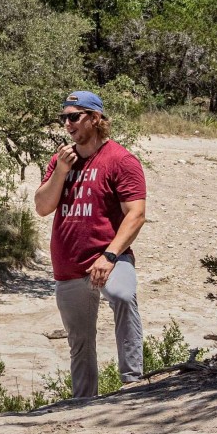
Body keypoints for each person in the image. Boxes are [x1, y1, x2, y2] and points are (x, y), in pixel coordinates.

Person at [34, 90, 147, 398]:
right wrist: (60, 171)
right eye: (64, 118)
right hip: (68, 264)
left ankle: (133, 383)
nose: (68, 124)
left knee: (123, 296)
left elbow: (136, 215)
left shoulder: (121, 160)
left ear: (95, 119)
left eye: (74, 116)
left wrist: (110, 256)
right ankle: (84, 404)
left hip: (109, 256)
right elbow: (43, 207)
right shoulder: (61, 160)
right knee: (80, 340)